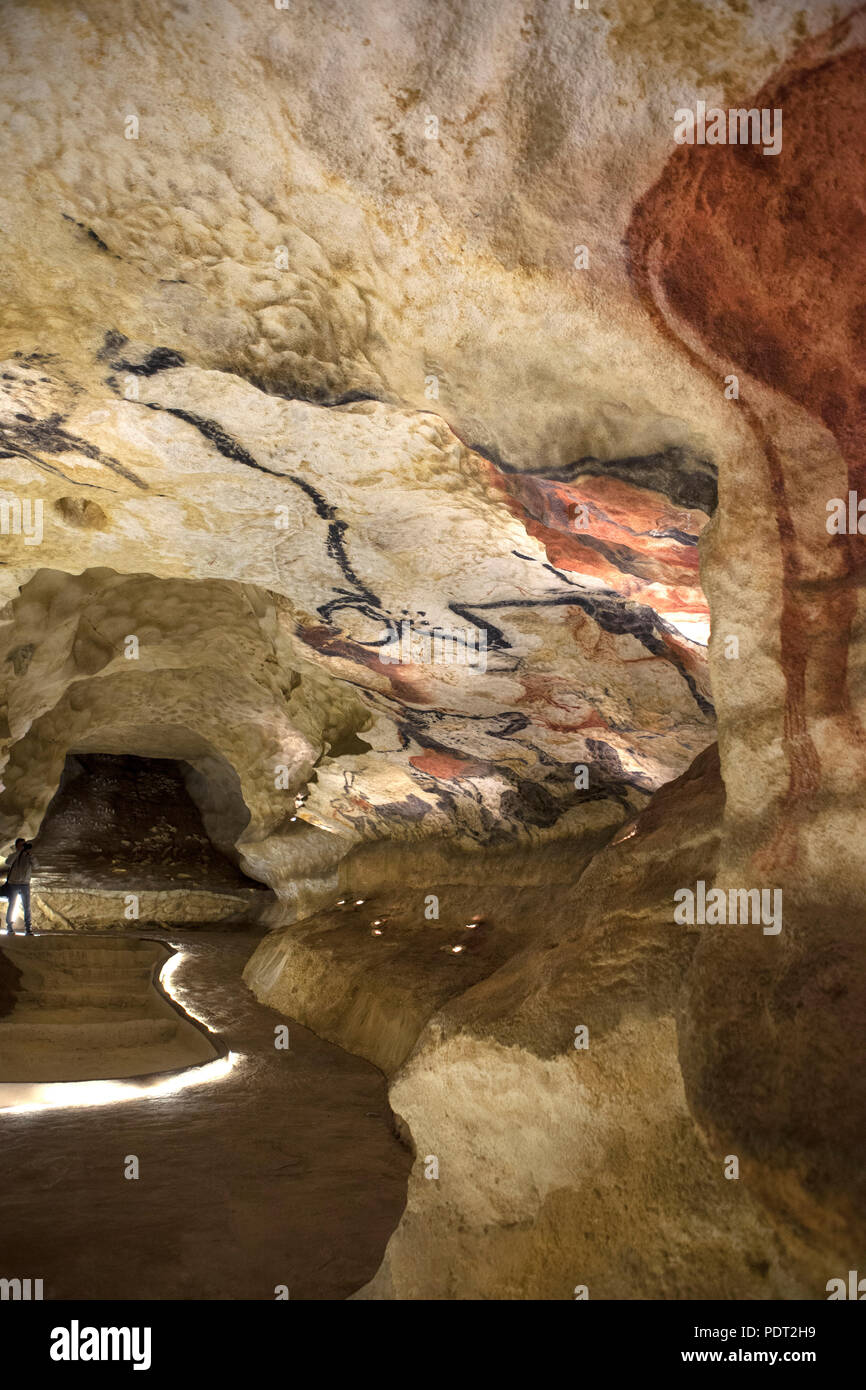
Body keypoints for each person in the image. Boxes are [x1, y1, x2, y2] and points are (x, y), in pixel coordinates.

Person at [2, 838, 35, 936]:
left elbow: (36, 865)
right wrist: (19, 852)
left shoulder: (28, 856)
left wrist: (30, 854)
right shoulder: (14, 855)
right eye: (21, 845)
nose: (23, 846)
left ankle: (28, 928)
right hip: (13, 884)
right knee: (12, 905)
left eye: (24, 844)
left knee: (27, 906)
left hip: (25, 884)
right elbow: (8, 862)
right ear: (17, 846)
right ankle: (10, 927)